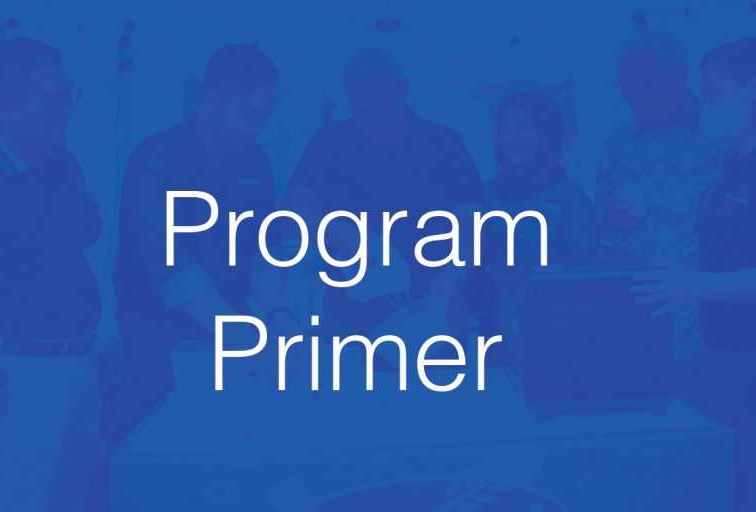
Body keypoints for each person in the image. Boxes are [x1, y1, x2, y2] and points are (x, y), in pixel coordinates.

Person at [113, 44, 295, 441]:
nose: (260, 127)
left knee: (231, 442)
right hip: (159, 341)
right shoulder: (157, 161)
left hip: (229, 333)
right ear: (212, 101)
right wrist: (247, 339)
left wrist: (280, 314)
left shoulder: (255, 160)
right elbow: (174, 270)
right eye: (251, 115)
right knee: (161, 449)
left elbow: (262, 250)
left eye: (266, 116)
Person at [0, 38, 101, 511]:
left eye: (70, 96)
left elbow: (83, 233)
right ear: (4, 105)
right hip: (17, 374)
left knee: (70, 499)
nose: (66, 111)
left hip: (79, 366)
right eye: (53, 102)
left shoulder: (63, 164)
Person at [632, 38, 756, 512]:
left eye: (714, 94)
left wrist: (697, 285)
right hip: (723, 359)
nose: (705, 108)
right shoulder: (731, 170)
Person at [283, 48, 484, 336]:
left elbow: (472, 220)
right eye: (361, 112)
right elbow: (293, 208)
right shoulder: (330, 142)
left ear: (404, 90)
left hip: (434, 313)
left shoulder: (445, 143)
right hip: (349, 321)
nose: (374, 121)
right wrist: (336, 231)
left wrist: (455, 269)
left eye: (383, 108)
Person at [596, 30, 721, 358]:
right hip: (632, 309)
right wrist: (607, 217)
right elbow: (598, 214)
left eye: (645, 84)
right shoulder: (617, 140)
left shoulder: (718, 131)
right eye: (626, 87)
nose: (635, 96)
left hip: (703, 313)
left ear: (679, 75)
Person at [452, 90, 598, 353]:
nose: (513, 138)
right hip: (487, 335)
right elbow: (467, 266)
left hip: (553, 334)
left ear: (546, 131)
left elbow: (584, 281)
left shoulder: (572, 199)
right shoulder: (483, 193)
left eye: (523, 128)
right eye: (505, 129)